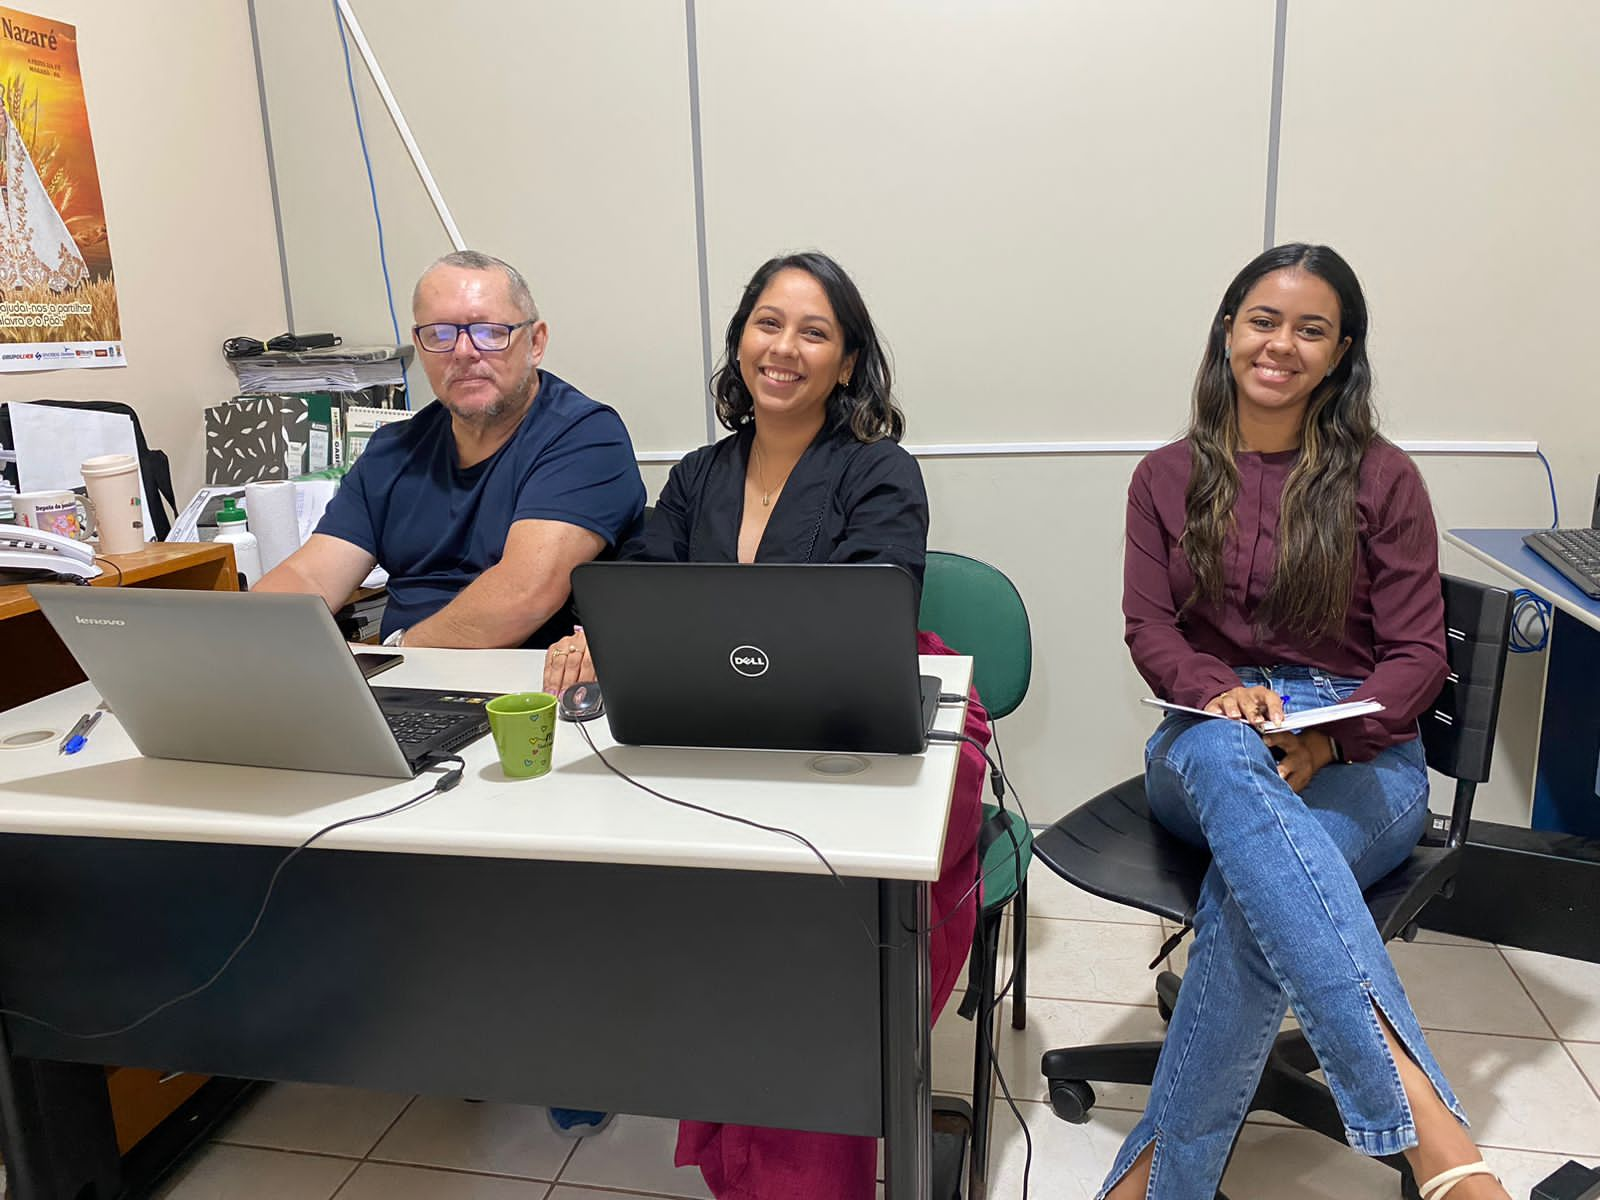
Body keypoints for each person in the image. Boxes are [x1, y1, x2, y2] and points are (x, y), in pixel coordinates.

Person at [543, 252, 979, 1200]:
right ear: (740, 339)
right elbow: (644, 588)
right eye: (766, 323)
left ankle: (810, 1142)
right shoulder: (699, 474)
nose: (784, 349)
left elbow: (877, 615)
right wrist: (594, 635)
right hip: (727, 720)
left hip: (855, 719)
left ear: (848, 362)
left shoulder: (878, 471)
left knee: (821, 947)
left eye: (814, 331)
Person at [1108, 244, 1507, 1200]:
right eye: (1262, 320)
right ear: (1229, 333)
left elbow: (1418, 655)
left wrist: (1328, 737)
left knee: (1256, 897)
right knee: (1220, 753)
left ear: (1340, 353)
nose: (1280, 343)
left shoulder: (1383, 480)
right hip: (1206, 743)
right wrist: (1219, 693)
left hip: (1361, 752)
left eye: (1310, 328)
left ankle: (1156, 1185)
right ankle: (1438, 1140)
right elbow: (1150, 627)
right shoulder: (1165, 478)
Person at [256, 250, 646, 650]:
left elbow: (524, 594)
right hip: (406, 685)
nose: (463, 352)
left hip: (522, 692)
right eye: (440, 334)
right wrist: (236, 643)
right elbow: (311, 577)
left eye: (490, 332)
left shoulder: (584, 436)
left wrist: (398, 653)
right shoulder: (393, 450)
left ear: (536, 342)